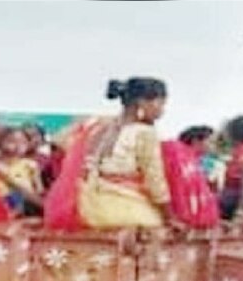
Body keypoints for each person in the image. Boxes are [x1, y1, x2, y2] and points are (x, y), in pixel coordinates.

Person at [44, 78, 173, 231]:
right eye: (160, 103)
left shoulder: (97, 125)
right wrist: (169, 217)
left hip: (86, 207)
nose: (162, 110)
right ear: (142, 102)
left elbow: (59, 141)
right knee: (158, 231)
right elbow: (155, 182)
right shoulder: (144, 133)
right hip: (125, 209)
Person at [0, 127, 44, 215]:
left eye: (23, 142)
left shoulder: (30, 165)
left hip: (24, 208)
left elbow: (39, 190)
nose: (18, 146)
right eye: (12, 141)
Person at [179, 125, 224, 190]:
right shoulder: (213, 164)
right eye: (211, 142)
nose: (213, 145)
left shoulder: (179, 159)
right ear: (195, 141)